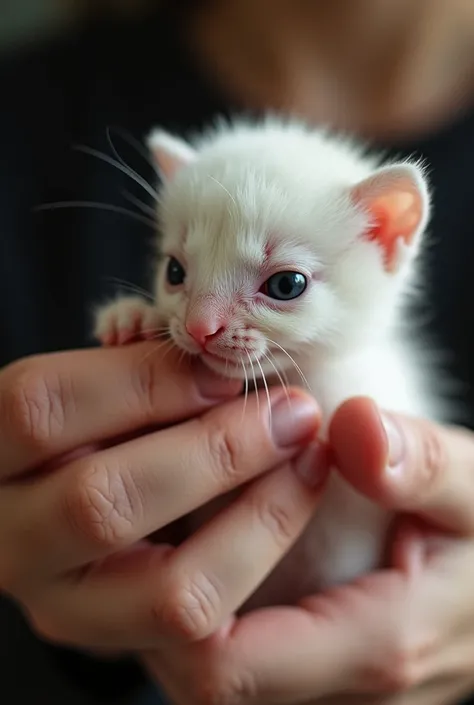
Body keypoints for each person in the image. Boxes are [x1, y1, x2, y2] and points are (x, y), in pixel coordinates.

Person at [0, 1, 474, 704]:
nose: (200, 327)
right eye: (177, 273)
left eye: (283, 284)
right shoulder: (27, 119)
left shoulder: (372, 388)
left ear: (384, 235)